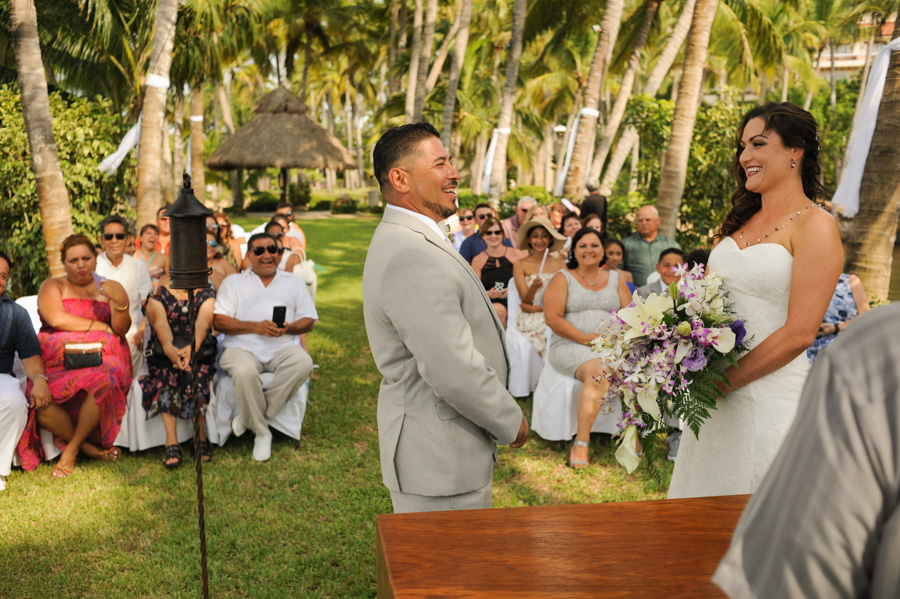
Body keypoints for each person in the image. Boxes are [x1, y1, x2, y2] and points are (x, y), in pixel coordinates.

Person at [667, 102, 843, 499]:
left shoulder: (816, 226)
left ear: (795, 151)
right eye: (742, 146)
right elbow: (702, 308)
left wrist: (725, 382)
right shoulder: (735, 224)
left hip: (769, 398)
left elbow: (800, 333)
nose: (745, 156)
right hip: (712, 399)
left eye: (758, 144)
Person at [363, 122, 528, 513]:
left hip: (446, 451)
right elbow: (452, 368)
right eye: (440, 164)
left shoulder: (416, 237)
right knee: (454, 557)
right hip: (438, 459)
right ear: (400, 179)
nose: (454, 173)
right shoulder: (409, 252)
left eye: (450, 162)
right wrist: (509, 420)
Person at [713, 303, 899, 599]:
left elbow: (800, 579)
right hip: (717, 392)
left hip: (764, 386)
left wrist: (720, 384)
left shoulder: (878, 349)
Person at [16, 235, 133, 477]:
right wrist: (100, 327)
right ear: (64, 263)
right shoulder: (53, 286)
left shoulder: (109, 287)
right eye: (73, 260)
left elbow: (120, 329)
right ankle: (89, 449)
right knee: (41, 401)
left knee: (104, 380)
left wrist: (121, 303)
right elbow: (56, 318)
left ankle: (71, 451)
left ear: (96, 259)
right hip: (57, 361)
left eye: (86, 258)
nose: (81, 265)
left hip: (102, 358)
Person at [213, 233, 317, 462]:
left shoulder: (293, 282)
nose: (267, 255)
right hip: (242, 348)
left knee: (304, 363)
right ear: (249, 255)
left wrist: (289, 328)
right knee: (243, 371)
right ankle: (261, 432)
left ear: (279, 254)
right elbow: (219, 321)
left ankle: (249, 418)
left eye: (272, 249)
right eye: (259, 251)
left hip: (282, 347)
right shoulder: (234, 282)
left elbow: (309, 320)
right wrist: (255, 327)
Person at [544, 228, 632, 469]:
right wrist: (584, 338)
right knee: (599, 372)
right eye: (582, 245)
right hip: (571, 344)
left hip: (611, 347)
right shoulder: (563, 277)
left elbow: (630, 314)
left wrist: (617, 342)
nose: (589, 250)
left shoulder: (616, 279)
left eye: (594, 245)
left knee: (634, 372)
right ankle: (581, 443)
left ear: (603, 250)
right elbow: (552, 318)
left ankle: (631, 435)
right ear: (574, 250)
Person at [139, 273, 215, 469]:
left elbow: (202, 324)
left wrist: (191, 350)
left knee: (197, 375)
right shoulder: (157, 294)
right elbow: (160, 324)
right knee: (166, 376)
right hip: (164, 355)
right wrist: (171, 350)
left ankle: (199, 436)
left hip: (197, 353)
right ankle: (171, 441)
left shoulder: (206, 294)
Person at [0, 252, 50, 491]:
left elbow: (30, 355)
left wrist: (39, 380)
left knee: (14, 402)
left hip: (1, 377)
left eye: (3, 276)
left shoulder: (15, 314)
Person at [95, 215, 152, 375]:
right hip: (101, 335)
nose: (114, 241)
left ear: (127, 239)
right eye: (109, 236)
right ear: (101, 239)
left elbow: (148, 305)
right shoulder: (94, 265)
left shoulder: (138, 267)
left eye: (119, 236)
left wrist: (141, 331)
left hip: (132, 336)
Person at [512, 218, 568, 358]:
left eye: (544, 236)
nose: (540, 240)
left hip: (558, 311)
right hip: (533, 317)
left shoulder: (560, 264)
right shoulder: (520, 265)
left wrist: (537, 308)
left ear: (550, 239)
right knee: (549, 333)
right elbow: (526, 301)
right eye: (535, 236)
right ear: (529, 239)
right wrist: (534, 288)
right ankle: (549, 367)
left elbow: (567, 295)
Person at [471, 218, 527, 329]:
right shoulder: (477, 260)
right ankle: (503, 340)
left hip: (516, 298)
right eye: (489, 233)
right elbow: (474, 290)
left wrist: (512, 291)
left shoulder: (516, 254)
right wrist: (487, 294)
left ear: (503, 234)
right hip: (491, 302)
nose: (493, 236)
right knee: (498, 310)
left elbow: (528, 279)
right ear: (483, 235)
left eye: (497, 232)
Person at [806, 272, 870, 362]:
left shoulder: (850, 280)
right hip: (811, 347)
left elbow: (865, 315)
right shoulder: (806, 281)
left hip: (845, 344)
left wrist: (836, 328)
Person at [621, 205, 681, 287]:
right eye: (640, 220)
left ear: (658, 220)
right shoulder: (626, 245)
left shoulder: (671, 245)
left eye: (648, 220)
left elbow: (680, 271)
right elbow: (617, 273)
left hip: (667, 292)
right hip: (636, 292)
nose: (644, 223)